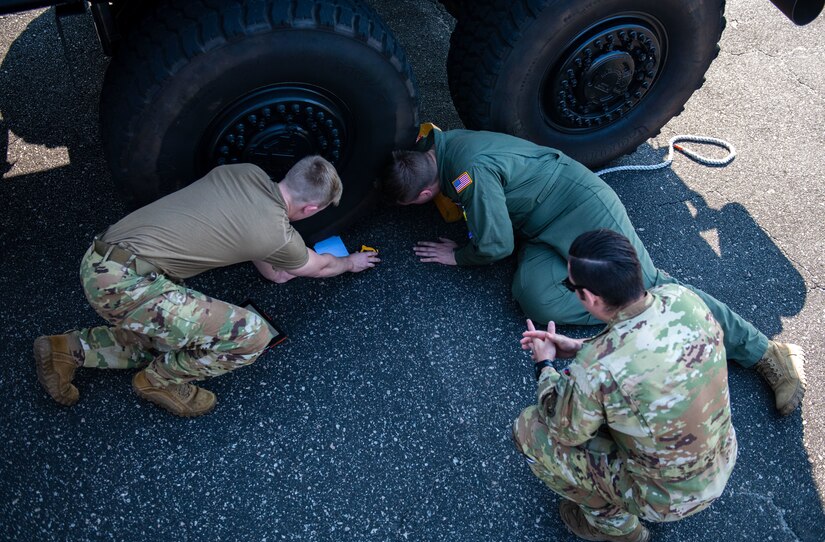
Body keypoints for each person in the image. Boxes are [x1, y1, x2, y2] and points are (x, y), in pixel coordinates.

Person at [378, 125, 805, 415]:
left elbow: (496, 245)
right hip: (541, 223)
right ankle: (629, 319)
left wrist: (459, 256)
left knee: (644, 286)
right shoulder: (440, 145)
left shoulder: (469, 174)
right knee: (532, 295)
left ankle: (766, 353)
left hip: (581, 207)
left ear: (428, 190)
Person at [34, 157, 380, 417]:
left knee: (172, 333)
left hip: (101, 258)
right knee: (251, 335)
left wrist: (277, 259)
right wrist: (351, 262)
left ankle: (68, 349)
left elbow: (261, 253)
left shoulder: (246, 172)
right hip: (127, 286)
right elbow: (318, 267)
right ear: (310, 208)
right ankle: (159, 381)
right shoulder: (278, 234)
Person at [513, 229, 737, 542]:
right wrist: (580, 347)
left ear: (589, 297)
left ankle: (616, 527)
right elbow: (643, 344)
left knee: (528, 428)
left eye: (570, 287)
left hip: (665, 500)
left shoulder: (596, 368)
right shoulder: (682, 298)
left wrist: (545, 365)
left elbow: (566, 431)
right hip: (721, 455)